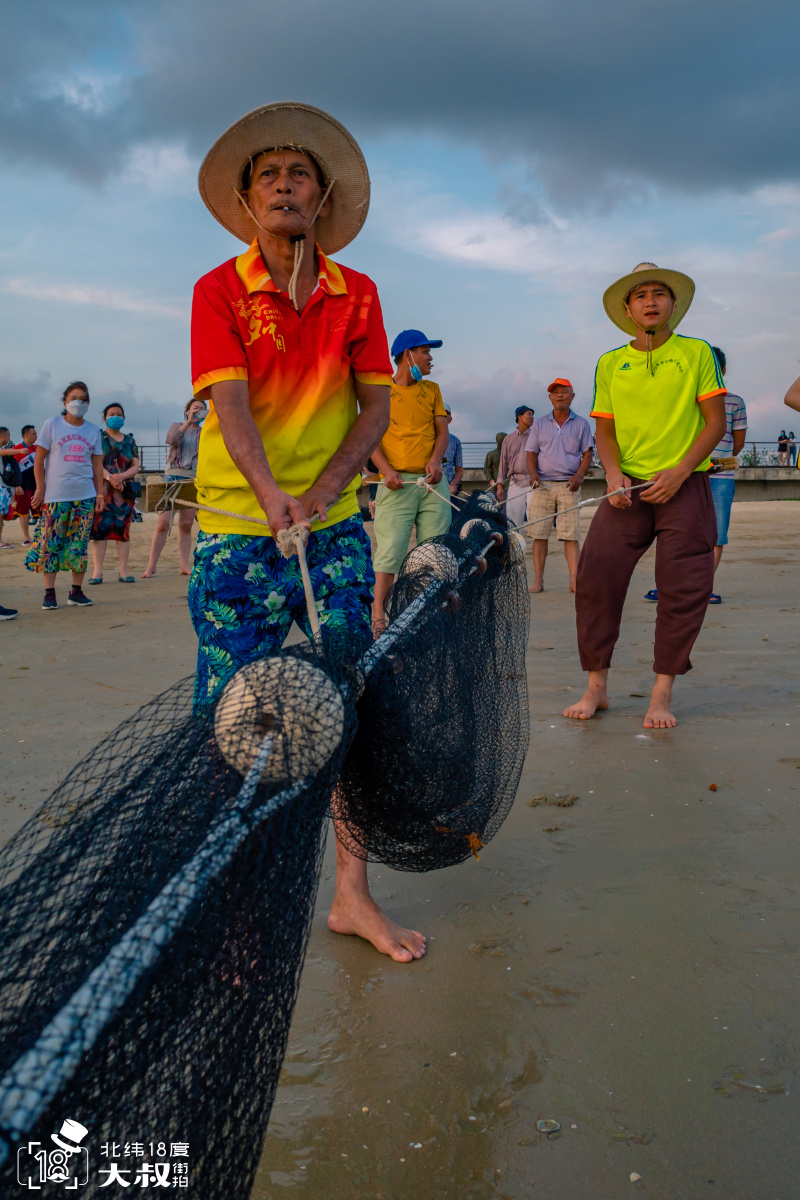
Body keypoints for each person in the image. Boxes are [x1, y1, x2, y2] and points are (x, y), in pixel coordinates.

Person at [190, 101, 424, 963]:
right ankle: (241, 904)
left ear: (322, 200)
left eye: (299, 177)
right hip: (234, 530)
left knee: (350, 698)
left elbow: (375, 406)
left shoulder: (354, 292)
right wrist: (269, 494)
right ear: (250, 202)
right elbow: (230, 404)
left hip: (330, 531)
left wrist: (324, 491)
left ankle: (353, 897)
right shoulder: (219, 289)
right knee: (235, 720)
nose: (285, 188)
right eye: (269, 178)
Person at [563, 262, 726, 729]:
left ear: (673, 304)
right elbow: (605, 431)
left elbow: (714, 422)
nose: (651, 301)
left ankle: (661, 692)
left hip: (685, 483)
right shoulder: (611, 362)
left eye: (660, 293)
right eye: (640, 295)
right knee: (596, 578)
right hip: (627, 488)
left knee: (684, 586)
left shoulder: (696, 353)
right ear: (627, 309)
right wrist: (612, 475)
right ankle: (597, 687)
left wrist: (680, 471)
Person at [371, 330, 451, 628]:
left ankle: (424, 615)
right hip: (396, 485)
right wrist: (386, 471)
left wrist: (435, 461)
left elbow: (442, 431)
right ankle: (379, 615)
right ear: (408, 355)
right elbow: (371, 438)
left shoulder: (432, 390)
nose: (430, 358)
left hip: (432, 484)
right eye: (425, 352)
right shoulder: (380, 391)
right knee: (389, 554)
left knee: (432, 551)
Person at [25, 382, 105, 609]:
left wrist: (99, 494)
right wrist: (40, 489)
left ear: (88, 403)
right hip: (56, 495)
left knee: (78, 543)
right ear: (65, 402)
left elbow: (97, 465)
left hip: (85, 495)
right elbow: (39, 460)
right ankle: (49, 592)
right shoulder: (52, 424)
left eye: (83, 399)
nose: (78, 403)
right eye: (73, 398)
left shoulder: (93, 430)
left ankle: (76, 591)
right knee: (51, 543)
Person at [525, 378, 593, 594]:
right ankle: (538, 581)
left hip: (569, 485)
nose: (560, 395)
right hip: (542, 485)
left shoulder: (582, 424)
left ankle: (575, 580)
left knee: (571, 535)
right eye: (555, 392)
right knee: (539, 534)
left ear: (572, 396)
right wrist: (533, 473)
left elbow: (587, 453)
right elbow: (531, 453)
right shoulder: (539, 424)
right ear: (550, 398)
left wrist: (580, 475)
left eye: (564, 392)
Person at [141, 399, 206, 577]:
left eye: (201, 409)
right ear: (187, 411)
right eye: (195, 409)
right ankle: (151, 566)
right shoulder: (178, 426)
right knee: (163, 523)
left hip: (192, 478)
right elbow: (172, 439)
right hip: (172, 475)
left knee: (186, 524)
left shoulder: (206, 432)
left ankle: (184, 565)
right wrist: (188, 422)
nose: (198, 412)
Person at [705, 347, 747, 601]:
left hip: (721, 478)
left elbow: (737, 443)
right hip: (689, 475)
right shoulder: (688, 401)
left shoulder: (735, 402)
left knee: (717, 534)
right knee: (680, 532)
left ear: (722, 370)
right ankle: (673, 587)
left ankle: (703, 589)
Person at [88, 403, 141, 584]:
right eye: (111, 414)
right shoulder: (98, 438)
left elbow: (135, 465)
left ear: (124, 417)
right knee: (100, 531)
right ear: (104, 418)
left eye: (119, 414)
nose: (116, 417)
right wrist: (111, 477)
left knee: (123, 531)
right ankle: (97, 572)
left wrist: (122, 476)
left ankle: (123, 571)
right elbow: (95, 463)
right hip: (102, 491)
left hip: (124, 492)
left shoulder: (130, 441)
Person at [497, 405, 534, 529]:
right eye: (529, 414)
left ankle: (537, 548)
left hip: (533, 482)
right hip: (515, 483)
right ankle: (517, 547)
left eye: (532, 415)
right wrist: (500, 485)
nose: (532, 417)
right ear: (519, 416)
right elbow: (503, 463)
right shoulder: (508, 439)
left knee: (536, 519)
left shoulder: (536, 436)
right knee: (513, 522)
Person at [12, 426, 37, 545]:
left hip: (36, 486)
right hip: (23, 486)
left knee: (40, 511)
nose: (36, 436)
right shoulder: (17, 449)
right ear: (26, 435)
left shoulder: (37, 448)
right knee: (23, 511)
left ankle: (40, 536)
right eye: (34, 434)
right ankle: (26, 537)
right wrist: (16, 485)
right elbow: (13, 468)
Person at [0, 428, 21, 549]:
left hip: (4, 486)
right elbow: (4, 453)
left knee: (2, 514)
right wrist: (20, 450)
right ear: (2, 437)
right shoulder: (3, 451)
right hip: (1, 487)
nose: (9, 438)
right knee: (0, 514)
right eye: (8, 436)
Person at [441, 401, 464, 496]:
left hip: (448, 488)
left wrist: (453, 484)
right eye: (438, 415)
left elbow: (459, 471)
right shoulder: (425, 438)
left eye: (444, 415)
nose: (441, 419)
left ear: (450, 419)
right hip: (429, 487)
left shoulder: (456, 441)